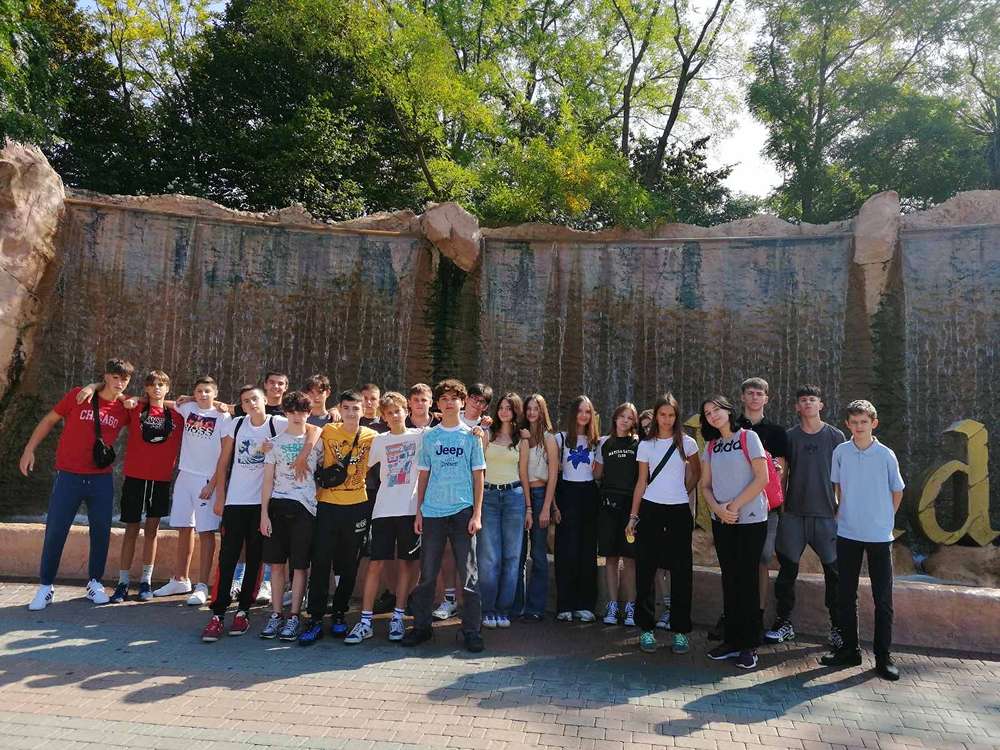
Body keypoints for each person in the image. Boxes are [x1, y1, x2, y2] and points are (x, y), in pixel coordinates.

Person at [20, 359, 135, 610]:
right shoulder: (79, 395)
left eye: (125, 379)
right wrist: (29, 449)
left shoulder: (125, 406)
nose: (120, 382)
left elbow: (154, 402)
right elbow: (49, 420)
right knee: (56, 530)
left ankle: (95, 583)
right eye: (115, 377)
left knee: (101, 531)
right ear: (106, 376)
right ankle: (45, 586)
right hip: (69, 476)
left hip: (101, 479)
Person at [821, 399, 905, 681]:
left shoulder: (886, 455)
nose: (859, 427)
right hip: (848, 533)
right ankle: (849, 650)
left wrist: (885, 517)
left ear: (874, 424)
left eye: (864, 422)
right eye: (854, 422)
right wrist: (844, 512)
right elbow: (838, 486)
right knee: (845, 594)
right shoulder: (841, 452)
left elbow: (897, 491)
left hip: (879, 535)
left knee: (883, 598)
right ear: (847, 424)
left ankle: (883, 656)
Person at [402, 379, 486, 653]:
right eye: (444, 399)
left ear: (462, 402)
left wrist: (477, 513)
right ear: (438, 404)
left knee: (469, 575)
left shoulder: (471, 436)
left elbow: (478, 476)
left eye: (454, 398)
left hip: (462, 511)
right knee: (427, 574)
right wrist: (419, 511)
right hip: (433, 512)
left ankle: (471, 630)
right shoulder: (429, 437)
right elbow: (423, 475)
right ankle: (422, 627)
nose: (449, 403)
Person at [201, 385, 287, 641]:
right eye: (246, 401)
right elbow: (223, 462)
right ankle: (217, 614)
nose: (251, 404)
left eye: (255, 399)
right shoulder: (236, 424)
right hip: (235, 502)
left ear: (265, 400)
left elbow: (309, 429)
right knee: (227, 557)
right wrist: (220, 496)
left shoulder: (277, 424)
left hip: (262, 505)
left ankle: (243, 612)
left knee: (255, 558)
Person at [766, 385, 845, 648]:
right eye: (803, 400)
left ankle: (838, 627)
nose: (808, 403)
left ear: (821, 405)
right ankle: (784, 622)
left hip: (826, 515)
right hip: (794, 514)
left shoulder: (836, 436)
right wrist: (780, 508)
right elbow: (782, 474)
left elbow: (843, 477)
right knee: (787, 571)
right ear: (797, 407)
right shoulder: (789, 437)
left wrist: (842, 508)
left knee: (834, 573)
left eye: (812, 399)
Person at [345, 391, 425, 644]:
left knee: (406, 564)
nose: (394, 416)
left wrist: (479, 429)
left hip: (410, 510)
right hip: (383, 510)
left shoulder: (420, 436)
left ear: (406, 411)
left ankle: (398, 617)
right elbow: (360, 467)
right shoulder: (379, 440)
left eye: (398, 411)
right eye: (389, 413)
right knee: (375, 563)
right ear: (384, 417)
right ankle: (365, 621)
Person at [299, 390, 378, 644]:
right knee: (321, 562)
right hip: (328, 505)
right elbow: (304, 427)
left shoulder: (372, 436)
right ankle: (315, 618)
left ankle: (340, 613)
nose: (351, 413)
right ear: (340, 409)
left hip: (357, 506)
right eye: (347, 408)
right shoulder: (329, 429)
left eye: (356, 408)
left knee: (349, 565)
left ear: (364, 410)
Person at [699, 395, 770, 670]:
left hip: (750, 519)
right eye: (708, 413)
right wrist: (718, 509)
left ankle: (750, 645)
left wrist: (734, 506)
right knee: (729, 579)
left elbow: (762, 478)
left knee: (748, 580)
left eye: (716, 409)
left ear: (728, 410)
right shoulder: (711, 446)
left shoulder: (749, 437)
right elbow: (705, 485)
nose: (713, 415)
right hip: (723, 520)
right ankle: (731, 640)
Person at [626, 393, 700, 654]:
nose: (667, 419)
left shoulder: (688, 443)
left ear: (676, 416)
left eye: (671, 415)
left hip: (679, 510)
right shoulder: (646, 445)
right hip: (650, 509)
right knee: (645, 569)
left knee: (682, 571)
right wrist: (633, 516)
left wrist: (681, 492)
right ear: (655, 416)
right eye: (662, 414)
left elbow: (696, 473)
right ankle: (646, 629)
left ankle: (680, 631)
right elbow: (641, 482)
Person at [154, 376, 231, 605]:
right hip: (185, 475)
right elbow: (161, 401)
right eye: (199, 391)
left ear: (215, 393)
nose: (203, 395)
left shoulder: (223, 416)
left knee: (206, 531)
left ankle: (202, 585)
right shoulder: (188, 407)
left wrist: (213, 484)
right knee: (184, 528)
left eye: (207, 391)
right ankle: (180, 579)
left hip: (206, 479)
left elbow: (225, 456)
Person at [110, 370, 184, 603]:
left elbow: (204, 404)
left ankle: (146, 581)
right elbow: (114, 393)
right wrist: (134, 399)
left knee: (152, 531)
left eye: (161, 384)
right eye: (152, 385)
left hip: (161, 479)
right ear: (146, 388)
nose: (157, 388)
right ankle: (122, 582)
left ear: (168, 388)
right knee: (131, 529)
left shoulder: (178, 413)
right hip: (135, 477)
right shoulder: (136, 408)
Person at [259, 391, 323, 641]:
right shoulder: (273, 443)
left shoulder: (317, 441)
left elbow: (324, 472)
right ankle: (276, 614)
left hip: (306, 509)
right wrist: (264, 515)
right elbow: (267, 481)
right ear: (285, 413)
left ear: (309, 413)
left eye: (303, 411)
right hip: (277, 506)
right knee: (276, 565)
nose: (298, 416)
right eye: (293, 411)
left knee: (300, 566)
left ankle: (294, 615)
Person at [738, 377, 788, 631]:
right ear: (743, 397)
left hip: (767, 507)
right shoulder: (732, 427)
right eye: (750, 393)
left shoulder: (777, 432)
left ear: (766, 399)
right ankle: (733, 613)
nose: (755, 397)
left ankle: (757, 615)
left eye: (759, 394)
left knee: (762, 559)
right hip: (736, 505)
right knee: (737, 561)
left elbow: (781, 471)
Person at [479, 393, 530, 629]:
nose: (504, 411)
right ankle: (487, 608)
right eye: (501, 407)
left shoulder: (522, 440)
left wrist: (529, 508)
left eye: (509, 408)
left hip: (514, 497)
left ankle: (503, 609)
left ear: (515, 411)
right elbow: (479, 470)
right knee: (490, 557)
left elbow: (524, 474)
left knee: (512, 557)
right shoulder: (487, 434)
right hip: (489, 496)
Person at [554, 395, 600, 623]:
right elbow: (553, 473)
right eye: (580, 411)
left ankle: (585, 604)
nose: (584, 415)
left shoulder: (597, 442)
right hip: (567, 494)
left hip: (589, 494)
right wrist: (554, 505)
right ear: (573, 413)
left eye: (588, 411)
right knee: (566, 550)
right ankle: (565, 604)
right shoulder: (560, 439)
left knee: (587, 550)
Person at [594, 403, 640, 627]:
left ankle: (630, 606)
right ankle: (612, 604)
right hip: (608, 506)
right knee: (610, 558)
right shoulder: (604, 443)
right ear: (614, 418)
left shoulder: (638, 444)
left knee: (630, 559)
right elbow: (597, 473)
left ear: (634, 422)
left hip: (630, 506)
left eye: (629, 418)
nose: (624, 421)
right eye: (622, 416)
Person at [515, 394, 559, 621]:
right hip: (519, 495)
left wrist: (546, 508)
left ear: (542, 411)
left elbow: (553, 476)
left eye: (536, 408)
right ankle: (516, 605)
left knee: (539, 553)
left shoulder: (549, 439)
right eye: (529, 408)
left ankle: (536, 607)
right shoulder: (520, 436)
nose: (532, 412)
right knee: (518, 553)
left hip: (541, 494)